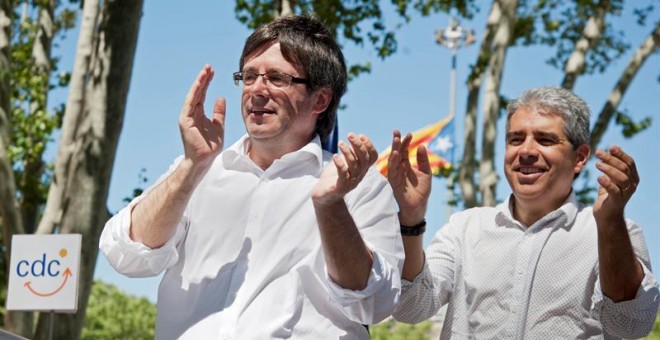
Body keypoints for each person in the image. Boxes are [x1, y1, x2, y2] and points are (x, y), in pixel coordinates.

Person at [99, 15, 403, 339]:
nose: (257, 90)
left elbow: (374, 302)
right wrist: (191, 166)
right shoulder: (197, 171)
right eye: (248, 76)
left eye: (276, 78)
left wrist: (329, 205)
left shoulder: (361, 186)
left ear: (320, 99)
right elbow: (126, 255)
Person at [387, 87, 659, 339]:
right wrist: (411, 218)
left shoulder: (614, 234)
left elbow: (631, 323)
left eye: (545, 140)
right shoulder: (464, 228)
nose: (526, 151)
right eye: (515, 139)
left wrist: (610, 222)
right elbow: (410, 308)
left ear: (580, 157)